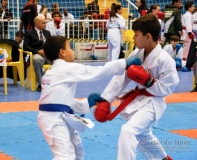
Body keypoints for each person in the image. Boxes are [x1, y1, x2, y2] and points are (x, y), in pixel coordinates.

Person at [38, 35, 142, 160]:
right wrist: (124, 63)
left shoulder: (53, 71)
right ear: (62, 52)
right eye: (69, 47)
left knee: (76, 151)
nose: (73, 51)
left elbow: (62, 101)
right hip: (54, 119)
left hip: (56, 116)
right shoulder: (65, 68)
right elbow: (96, 71)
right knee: (64, 156)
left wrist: (86, 104)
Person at [93, 14, 178, 160]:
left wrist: (149, 82)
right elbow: (122, 77)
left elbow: (170, 86)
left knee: (128, 131)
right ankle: (163, 158)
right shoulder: (137, 53)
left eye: (136, 35)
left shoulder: (164, 59)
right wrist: (105, 100)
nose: (133, 38)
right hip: (139, 100)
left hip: (153, 103)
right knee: (143, 135)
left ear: (148, 36)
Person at [23, 16, 51, 92]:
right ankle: (41, 84)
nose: (45, 24)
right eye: (43, 23)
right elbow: (25, 47)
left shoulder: (47, 33)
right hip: (37, 54)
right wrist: (37, 51)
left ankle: (56, 84)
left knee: (59, 60)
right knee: (37, 60)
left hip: (48, 55)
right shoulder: (29, 32)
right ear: (37, 23)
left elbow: (51, 45)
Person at [181, 1, 195, 72]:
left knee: (189, 50)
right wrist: (190, 33)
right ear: (189, 8)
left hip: (187, 34)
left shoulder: (187, 15)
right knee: (187, 50)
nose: (194, 7)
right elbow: (188, 24)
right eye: (193, 6)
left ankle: (188, 64)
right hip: (188, 35)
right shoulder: (188, 15)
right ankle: (186, 65)